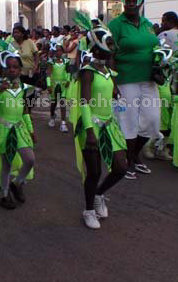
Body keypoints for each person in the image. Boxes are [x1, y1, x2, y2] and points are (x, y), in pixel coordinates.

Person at [71, 13, 127, 229]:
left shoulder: (109, 72)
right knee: (94, 171)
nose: (112, 46)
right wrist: (90, 131)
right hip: (91, 125)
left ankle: (99, 194)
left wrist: (117, 96)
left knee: (121, 167)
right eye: (109, 42)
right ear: (97, 46)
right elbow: (84, 102)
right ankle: (88, 210)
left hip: (109, 124)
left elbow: (114, 94)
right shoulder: (87, 72)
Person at [108, 0, 160, 179]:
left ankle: (133, 155)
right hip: (126, 79)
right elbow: (109, 54)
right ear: (123, 3)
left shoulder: (147, 24)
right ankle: (128, 161)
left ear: (139, 2)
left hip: (149, 80)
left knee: (152, 121)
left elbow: (156, 49)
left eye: (133, 1)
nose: (130, 4)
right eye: (127, 1)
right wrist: (112, 82)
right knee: (128, 121)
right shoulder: (116, 25)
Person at [0, 51, 37, 209]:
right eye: (8, 67)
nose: (12, 70)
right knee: (6, 165)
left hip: (20, 130)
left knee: (30, 159)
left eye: (15, 67)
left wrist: (31, 129)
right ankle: (4, 194)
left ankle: (17, 183)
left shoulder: (24, 88)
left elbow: (25, 111)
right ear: (3, 70)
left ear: (20, 69)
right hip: (4, 131)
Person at [47, 43, 70, 132]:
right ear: (54, 52)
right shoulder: (51, 62)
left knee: (62, 103)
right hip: (53, 84)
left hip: (63, 84)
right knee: (53, 102)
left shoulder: (66, 61)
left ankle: (63, 123)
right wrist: (48, 84)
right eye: (57, 51)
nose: (58, 52)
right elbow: (48, 73)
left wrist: (68, 80)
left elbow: (68, 71)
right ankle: (52, 117)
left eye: (60, 50)